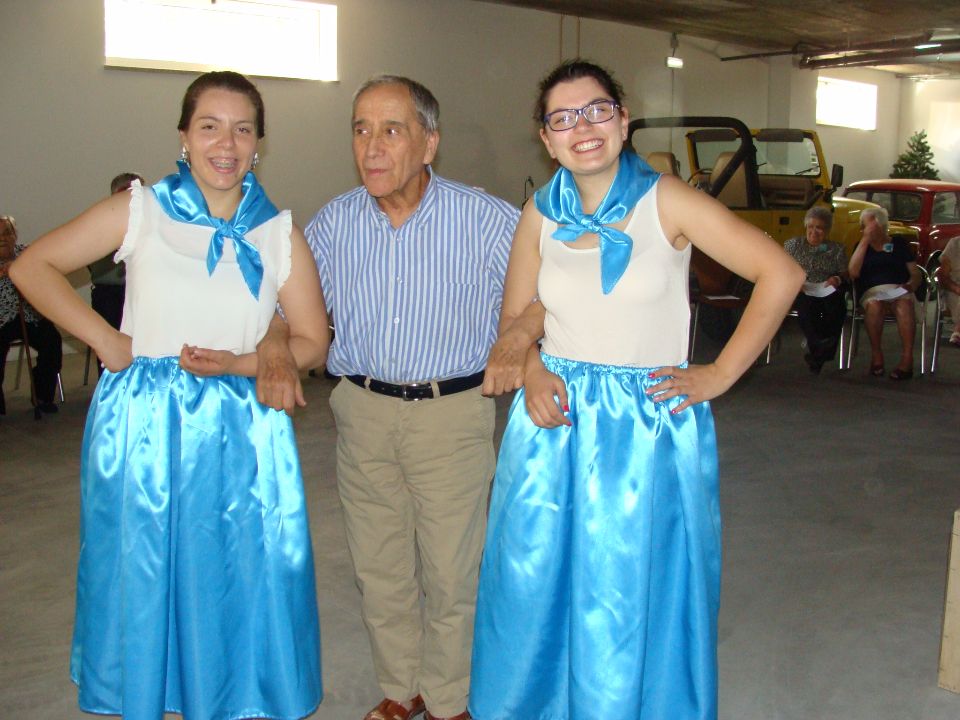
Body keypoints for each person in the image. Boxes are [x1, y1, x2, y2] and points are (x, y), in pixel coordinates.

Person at [469, 60, 804, 720]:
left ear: (623, 121)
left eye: (597, 110)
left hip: (643, 429)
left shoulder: (667, 200)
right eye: (562, 118)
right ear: (546, 139)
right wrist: (532, 370)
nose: (582, 127)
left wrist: (720, 373)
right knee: (533, 582)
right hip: (553, 422)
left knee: (625, 594)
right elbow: (516, 319)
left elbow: (781, 273)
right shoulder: (539, 212)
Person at [11, 71, 328, 720]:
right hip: (147, 425)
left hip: (242, 425)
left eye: (242, 130)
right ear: (184, 136)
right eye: (209, 126)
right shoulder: (142, 210)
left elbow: (312, 340)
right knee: (146, 569)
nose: (226, 144)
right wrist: (106, 340)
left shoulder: (279, 232)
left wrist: (243, 362)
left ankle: (226, 697)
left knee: (234, 574)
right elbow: (31, 267)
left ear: (259, 144)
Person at [257, 75, 518, 720]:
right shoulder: (333, 223)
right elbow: (283, 305)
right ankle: (401, 690)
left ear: (429, 143)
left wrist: (521, 341)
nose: (371, 147)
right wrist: (274, 341)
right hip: (361, 411)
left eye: (391, 130)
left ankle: (450, 698)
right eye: (360, 129)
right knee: (379, 565)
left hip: (450, 414)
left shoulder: (484, 218)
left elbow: (548, 285)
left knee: (453, 570)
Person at [847, 206, 920, 380]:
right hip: (872, 292)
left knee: (904, 305)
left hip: (898, 289)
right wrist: (865, 241)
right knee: (875, 306)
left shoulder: (899, 244)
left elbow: (915, 273)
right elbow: (853, 273)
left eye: (872, 226)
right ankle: (876, 355)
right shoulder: (861, 246)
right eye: (865, 227)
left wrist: (911, 285)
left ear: (882, 226)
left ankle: (907, 358)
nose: (868, 230)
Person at [0, 214, 63, 415]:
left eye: (7, 233)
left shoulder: (27, 254)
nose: (3, 238)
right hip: (1, 320)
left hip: (30, 316)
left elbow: (48, 277)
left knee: (51, 341)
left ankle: (42, 396)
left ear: (15, 235)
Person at [86, 172, 144, 376]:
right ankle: (109, 380)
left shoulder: (150, 220)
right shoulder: (101, 221)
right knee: (109, 333)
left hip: (143, 290)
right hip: (110, 290)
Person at [783, 206, 848, 373]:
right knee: (807, 309)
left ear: (827, 230)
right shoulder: (793, 245)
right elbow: (783, 268)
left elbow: (844, 272)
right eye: (810, 226)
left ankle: (817, 354)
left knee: (836, 309)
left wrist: (836, 279)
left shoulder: (836, 249)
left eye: (819, 228)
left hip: (826, 287)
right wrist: (795, 282)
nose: (814, 231)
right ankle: (820, 349)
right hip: (801, 287)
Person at [938, 235, 960, 347]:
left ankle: (958, 330)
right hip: (955, 288)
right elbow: (943, 276)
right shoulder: (955, 244)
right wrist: (956, 288)